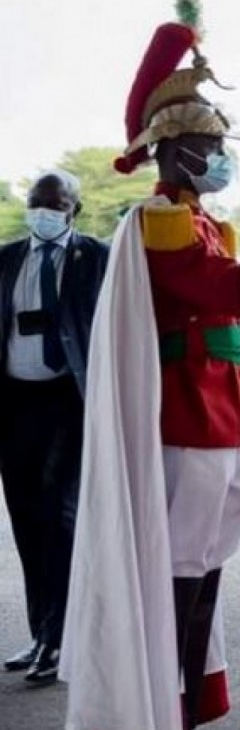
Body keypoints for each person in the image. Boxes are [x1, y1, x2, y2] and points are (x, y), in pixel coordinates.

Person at [62, 0, 240, 730]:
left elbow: (229, 341)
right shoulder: (164, 219)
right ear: (176, 151)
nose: (220, 158)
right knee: (184, 583)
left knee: (203, 582)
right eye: (209, 145)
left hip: (218, 422)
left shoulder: (200, 222)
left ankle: (182, 712)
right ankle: (167, 713)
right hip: (185, 426)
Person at [0, 171, 107, 686]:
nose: (43, 211)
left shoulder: (98, 259)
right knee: (25, 520)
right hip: (15, 404)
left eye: (54, 204)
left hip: (70, 400)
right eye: (35, 203)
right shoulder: (6, 259)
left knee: (59, 519)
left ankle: (61, 637)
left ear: (74, 209)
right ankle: (41, 632)